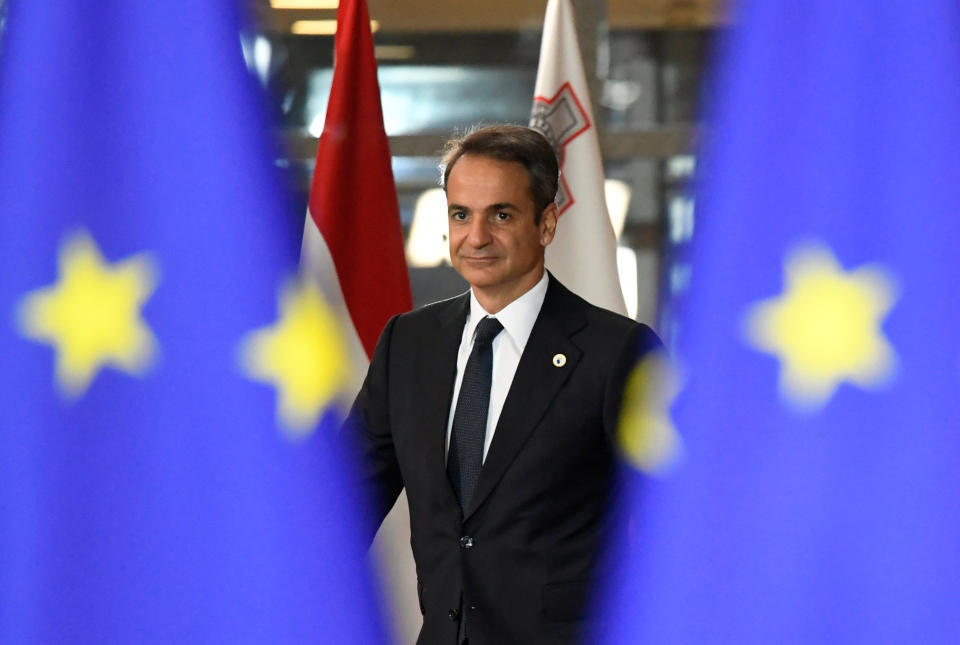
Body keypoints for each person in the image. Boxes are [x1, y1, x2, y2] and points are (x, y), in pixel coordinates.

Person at [346, 124, 661, 645]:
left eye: (502, 215)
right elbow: (342, 500)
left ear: (547, 223)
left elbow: (671, 526)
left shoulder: (617, 353)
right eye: (460, 214)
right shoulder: (409, 344)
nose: (476, 237)